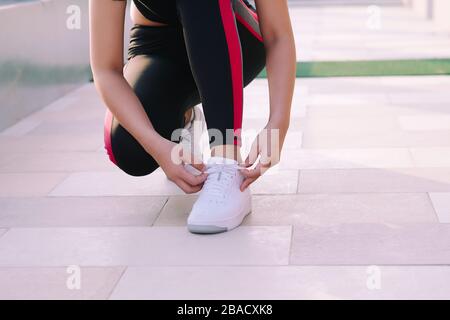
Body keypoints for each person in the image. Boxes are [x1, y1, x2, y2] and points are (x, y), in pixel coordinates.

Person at [89, 0, 296, 234]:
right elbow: (105, 69)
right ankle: (185, 118)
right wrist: (155, 145)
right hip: (158, 46)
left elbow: (278, 35)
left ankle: (226, 163)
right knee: (130, 150)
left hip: (235, 34)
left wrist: (278, 122)